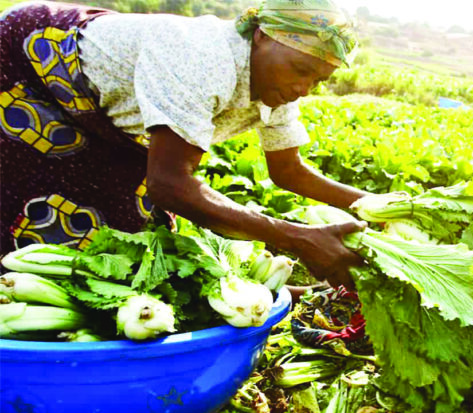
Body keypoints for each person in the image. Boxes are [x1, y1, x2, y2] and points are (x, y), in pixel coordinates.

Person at [0, 0, 366, 289]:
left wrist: (377, 208)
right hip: (32, 69)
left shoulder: (280, 88)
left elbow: (288, 171)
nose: (304, 89)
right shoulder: (201, 57)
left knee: (129, 235)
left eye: (318, 81)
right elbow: (170, 185)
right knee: (33, 207)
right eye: (300, 70)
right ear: (262, 36)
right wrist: (297, 238)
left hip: (109, 117)